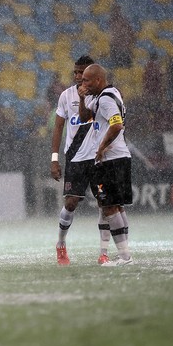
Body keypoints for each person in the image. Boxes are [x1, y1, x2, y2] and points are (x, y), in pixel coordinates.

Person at [50, 55, 113, 265]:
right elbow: (58, 127)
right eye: (76, 72)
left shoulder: (103, 97)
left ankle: (104, 253)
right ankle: (60, 244)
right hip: (75, 159)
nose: (78, 76)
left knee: (105, 205)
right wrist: (54, 158)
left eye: (82, 73)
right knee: (70, 203)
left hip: (98, 159)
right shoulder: (66, 96)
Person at [79, 64, 133, 267]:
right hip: (119, 157)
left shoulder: (106, 99)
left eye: (87, 81)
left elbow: (117, 124)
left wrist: (101, 147)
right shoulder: (108, 95)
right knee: (116, 206)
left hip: (111, 160)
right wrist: (83, 97)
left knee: (109, 207)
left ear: (98, 80)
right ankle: (125, 254)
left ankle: (125, 257)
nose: (83, 84)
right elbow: (85, 117)